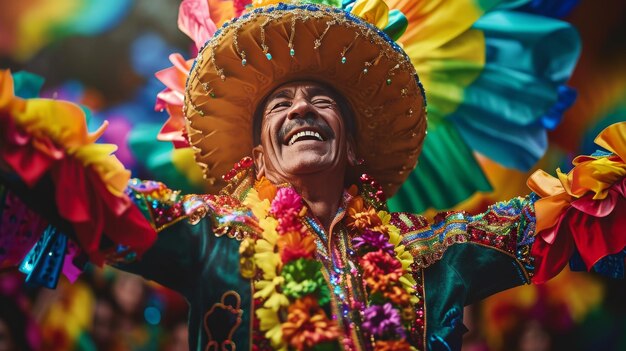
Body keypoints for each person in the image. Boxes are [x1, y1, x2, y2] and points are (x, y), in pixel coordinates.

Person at [1, 1, 625, 351]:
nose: (300, 107)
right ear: (260, 153)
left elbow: (572, 215)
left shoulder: (433, 253)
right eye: (280, 103)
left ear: (353, 146)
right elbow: (80, 192)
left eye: (321, 100)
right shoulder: (209, 236)